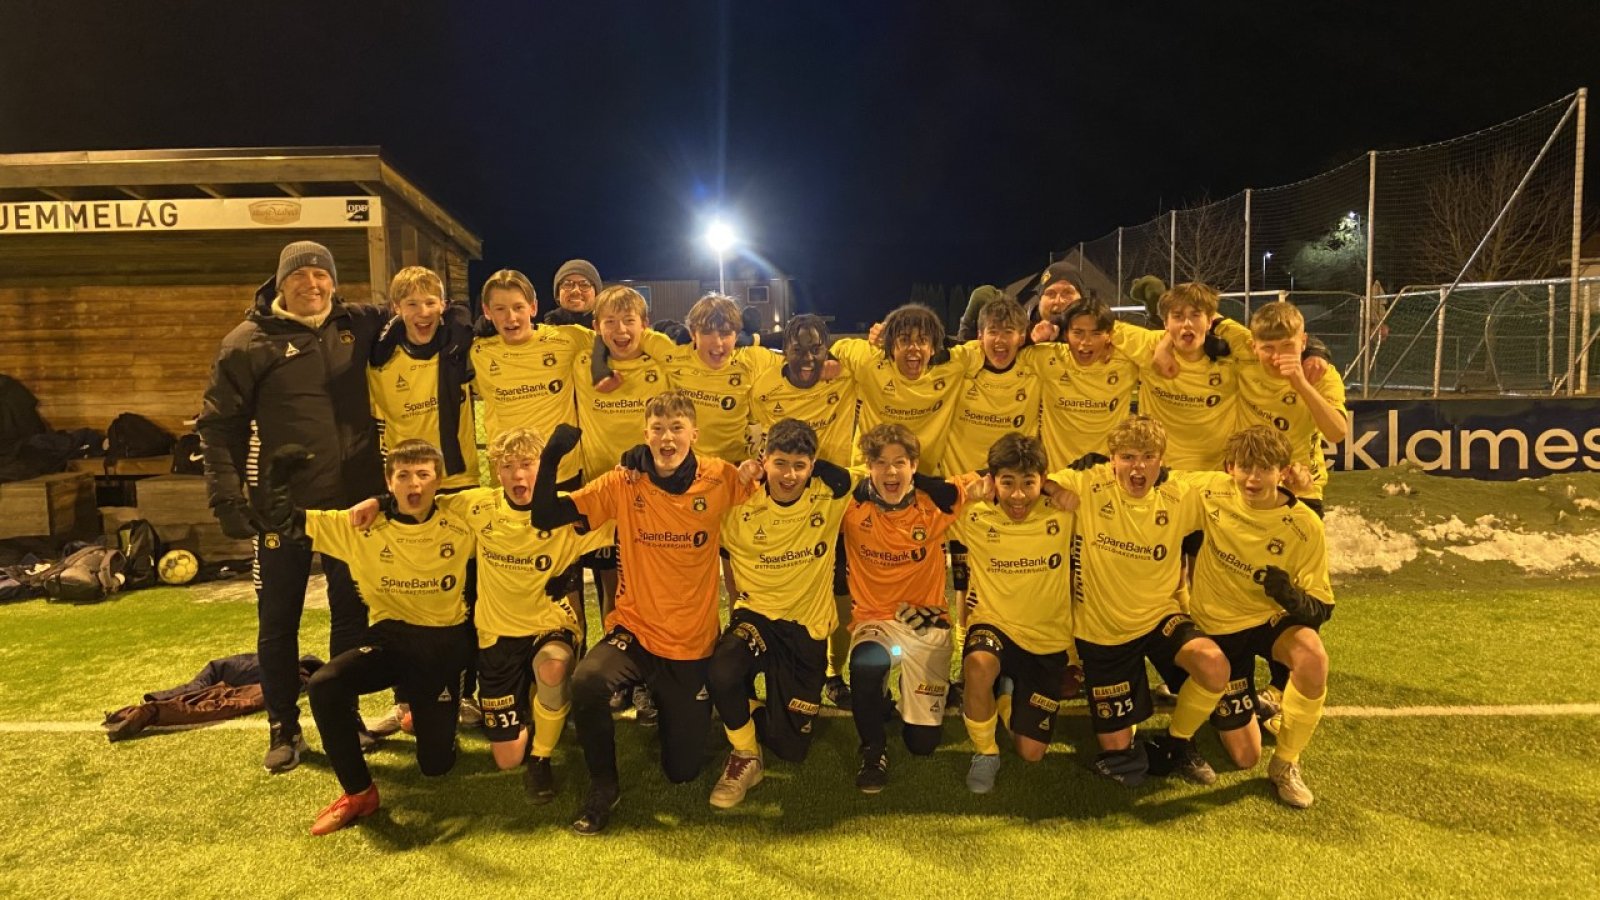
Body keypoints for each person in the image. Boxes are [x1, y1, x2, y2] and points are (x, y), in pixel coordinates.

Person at [531, 391, 759, 835]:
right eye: (657, 429)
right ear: (645, 435)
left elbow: (774, 486)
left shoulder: (719, 477)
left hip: (690, 644)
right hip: (635, 630)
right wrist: (552, 456)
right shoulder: (625, 481)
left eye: (676, 429)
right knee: (588, 680)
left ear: (695, 434)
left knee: (682, 770)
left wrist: (756, 468)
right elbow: (545, 515)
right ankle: (603, 786)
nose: (667, 438)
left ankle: (684, 704)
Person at [196, 240, 386, 773]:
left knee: (352, 613)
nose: (312, 284)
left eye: (321, 274)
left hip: (351, 506)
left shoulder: (358, 324)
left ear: (334, 281)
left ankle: (344, 714)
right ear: (280, 284)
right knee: (279, 618)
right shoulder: (246, 341)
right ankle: (283, 724)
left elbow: (424, 315)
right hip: (283, 506)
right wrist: (226, 496)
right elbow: (219, 426)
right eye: (299, 276)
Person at [349, 426, 617, 804]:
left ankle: (541, 757)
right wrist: (379, 501)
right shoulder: (477, 505)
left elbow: (626, 518)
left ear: (544, 467)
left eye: (527, 464)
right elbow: (423, 500)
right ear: (497, 472)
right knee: (507, 759)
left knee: (553, 668)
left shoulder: (568, 509)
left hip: (550, 624)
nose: (518, 475)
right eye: (508, 466)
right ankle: (533, 702)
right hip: (496, 635)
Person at [258, 439, 475, 836]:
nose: (414, 484)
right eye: (403, 475)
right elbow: (282, 519)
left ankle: (426, 714)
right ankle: (359, 793)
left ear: (439, 481)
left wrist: (382, 500)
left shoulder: (462, 517)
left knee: (436, 767)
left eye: (423, 475)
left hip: (443, 646)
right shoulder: (361, 525)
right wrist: (277, 476)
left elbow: (521, 505)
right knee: (325, 683)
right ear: (389, 481)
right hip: (390, 639)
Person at [1043, 416, 1229, 788]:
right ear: (1112, 459)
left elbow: (1242, 484)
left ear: (1162, 459)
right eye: (1127, 457)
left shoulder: (1182, 491)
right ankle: (1130, 731)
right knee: (1118, 755)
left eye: (1148, 457)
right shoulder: (1088, 482)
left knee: (1214, 666)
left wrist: (1291, 482)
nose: (1137, 467)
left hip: (1160, 618)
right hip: (1102, 633)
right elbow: (1030, 480)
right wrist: (1052, 486)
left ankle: (1177, 744)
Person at [1179, 426, 1333, 808]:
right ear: (1230, 467)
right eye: (1245, 467)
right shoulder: (1210, 489)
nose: (1253, 478)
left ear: (1283, 471)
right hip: (1218, 628)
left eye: (1264, 468)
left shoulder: (1304, 525)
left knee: (1313, 657)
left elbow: (1321, 607)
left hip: (1267, 620)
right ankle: (1241, 703)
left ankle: (1285, 763)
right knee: (1245, 756)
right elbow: (1155, 480)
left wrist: (1290, 596)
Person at [706, 418, 853, 808]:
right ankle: (745, 754)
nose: (789, 475)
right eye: (780, 463)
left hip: (806, 629)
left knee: (790, 748)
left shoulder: (830, 495)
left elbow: (871, 477)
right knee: (722, 670)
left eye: (800, 466)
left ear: (813, 466)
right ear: (764, 461)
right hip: (757, 618)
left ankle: (758, 711)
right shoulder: (740, 502)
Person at [839, 424, 975, 793]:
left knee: (921, 744)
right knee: (866, 664)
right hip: (876, 621)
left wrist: (934, 484)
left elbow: (989, 478)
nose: (891, 472)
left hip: (926, 624)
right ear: (869, 466)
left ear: (914, 465)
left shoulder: (935, 504)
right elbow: (815, 481)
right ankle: (873, 750)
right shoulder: (850, 506)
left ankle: (906, 689)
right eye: (881, 463)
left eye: (900, 462)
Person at [951, 432, 1073, 793]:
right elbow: (924, 497)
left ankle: (1005, 694)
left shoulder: (1064, 513)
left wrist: (1056, 488)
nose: (1018, 495)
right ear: (993, 481)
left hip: (1046, 638)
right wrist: (966, 490)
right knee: (978, 666)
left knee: (1031, 752)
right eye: (1007, 483)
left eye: (1028, 483)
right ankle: (986, 752)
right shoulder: (973, 515)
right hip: (994, 625)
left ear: (1042, 480)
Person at [749, 314, 858, 708]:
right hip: (786, 504)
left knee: (841, 591)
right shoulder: (764, 387)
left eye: (816, 348)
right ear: (785, 350)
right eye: (798, 349)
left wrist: (842, 355)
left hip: (834, 502)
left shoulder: (845, 376)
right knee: (788, 585)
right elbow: (759, 441)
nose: (808, 358)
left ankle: (834, 672)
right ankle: (780, 661)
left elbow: (873, 352)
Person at [829, 303, 984, 473]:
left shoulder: (952, 366)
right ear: (890, 346)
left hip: (922, 475)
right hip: (868, 472)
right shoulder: (869, 361)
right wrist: (831, 361)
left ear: (933, 348)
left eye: (922, 340)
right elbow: (839, 348)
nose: (913, 348)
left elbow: (980, 349)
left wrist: (946, 346)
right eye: (904, 340)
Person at [546, 258, 602, 325]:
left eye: (584, 285)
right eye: (568, 284)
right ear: (558, 294)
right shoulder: (545, 329)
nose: (576, 290)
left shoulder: (610, 329)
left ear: (596, 294)